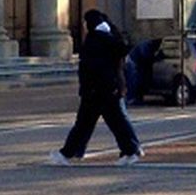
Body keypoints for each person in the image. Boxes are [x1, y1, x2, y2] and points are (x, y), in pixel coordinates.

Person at [50, 9, 143, 165]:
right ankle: (131, 149)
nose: (84, 26)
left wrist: (89, 87)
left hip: (97, 90)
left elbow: (91, 67)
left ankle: (68, 153)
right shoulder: (110, 37)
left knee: (88, 124)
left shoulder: (95, 40)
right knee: (112, 122)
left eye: (86, 22)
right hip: (108, 88)